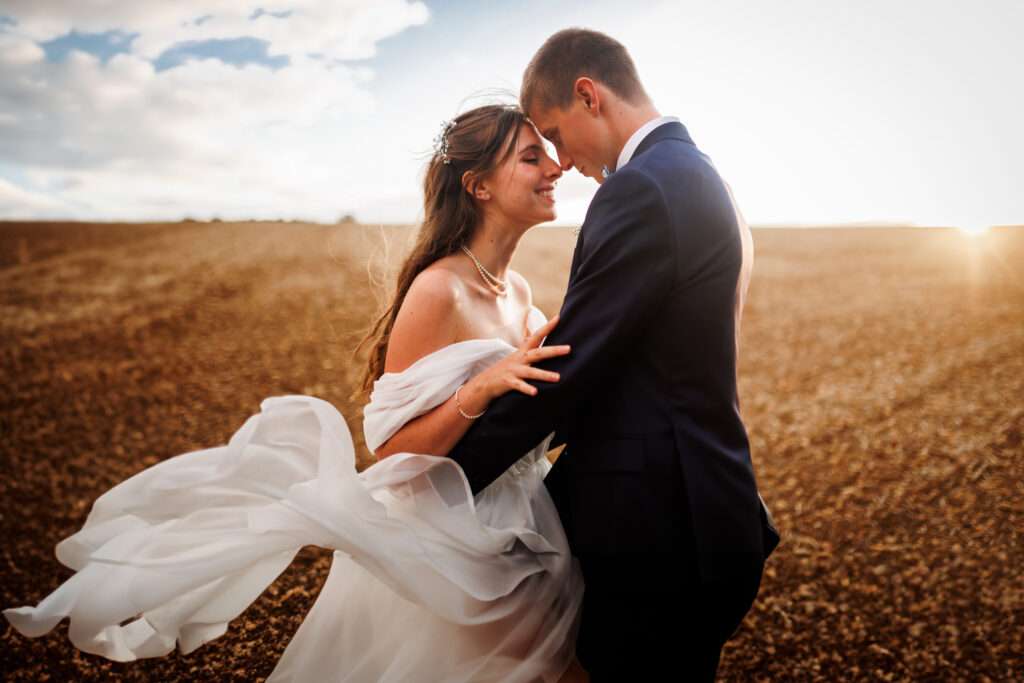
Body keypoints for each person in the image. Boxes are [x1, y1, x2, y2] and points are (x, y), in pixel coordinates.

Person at [3, 104, 592, 683]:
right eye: (530, 157)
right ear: (479, 186)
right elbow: (393, 453)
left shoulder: (516, 290)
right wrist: (483, 387)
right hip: (452, 551)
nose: (554, 168)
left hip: (525, 523)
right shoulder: (438, 291)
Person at [445, 29, 781, 681]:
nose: (561, 162)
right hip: (707, 514)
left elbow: (571, 367)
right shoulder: (705, 178)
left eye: (556, 134)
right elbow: (641, 359)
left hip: (661, 537)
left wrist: (448, 477)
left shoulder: (643, 188)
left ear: (588, 95)